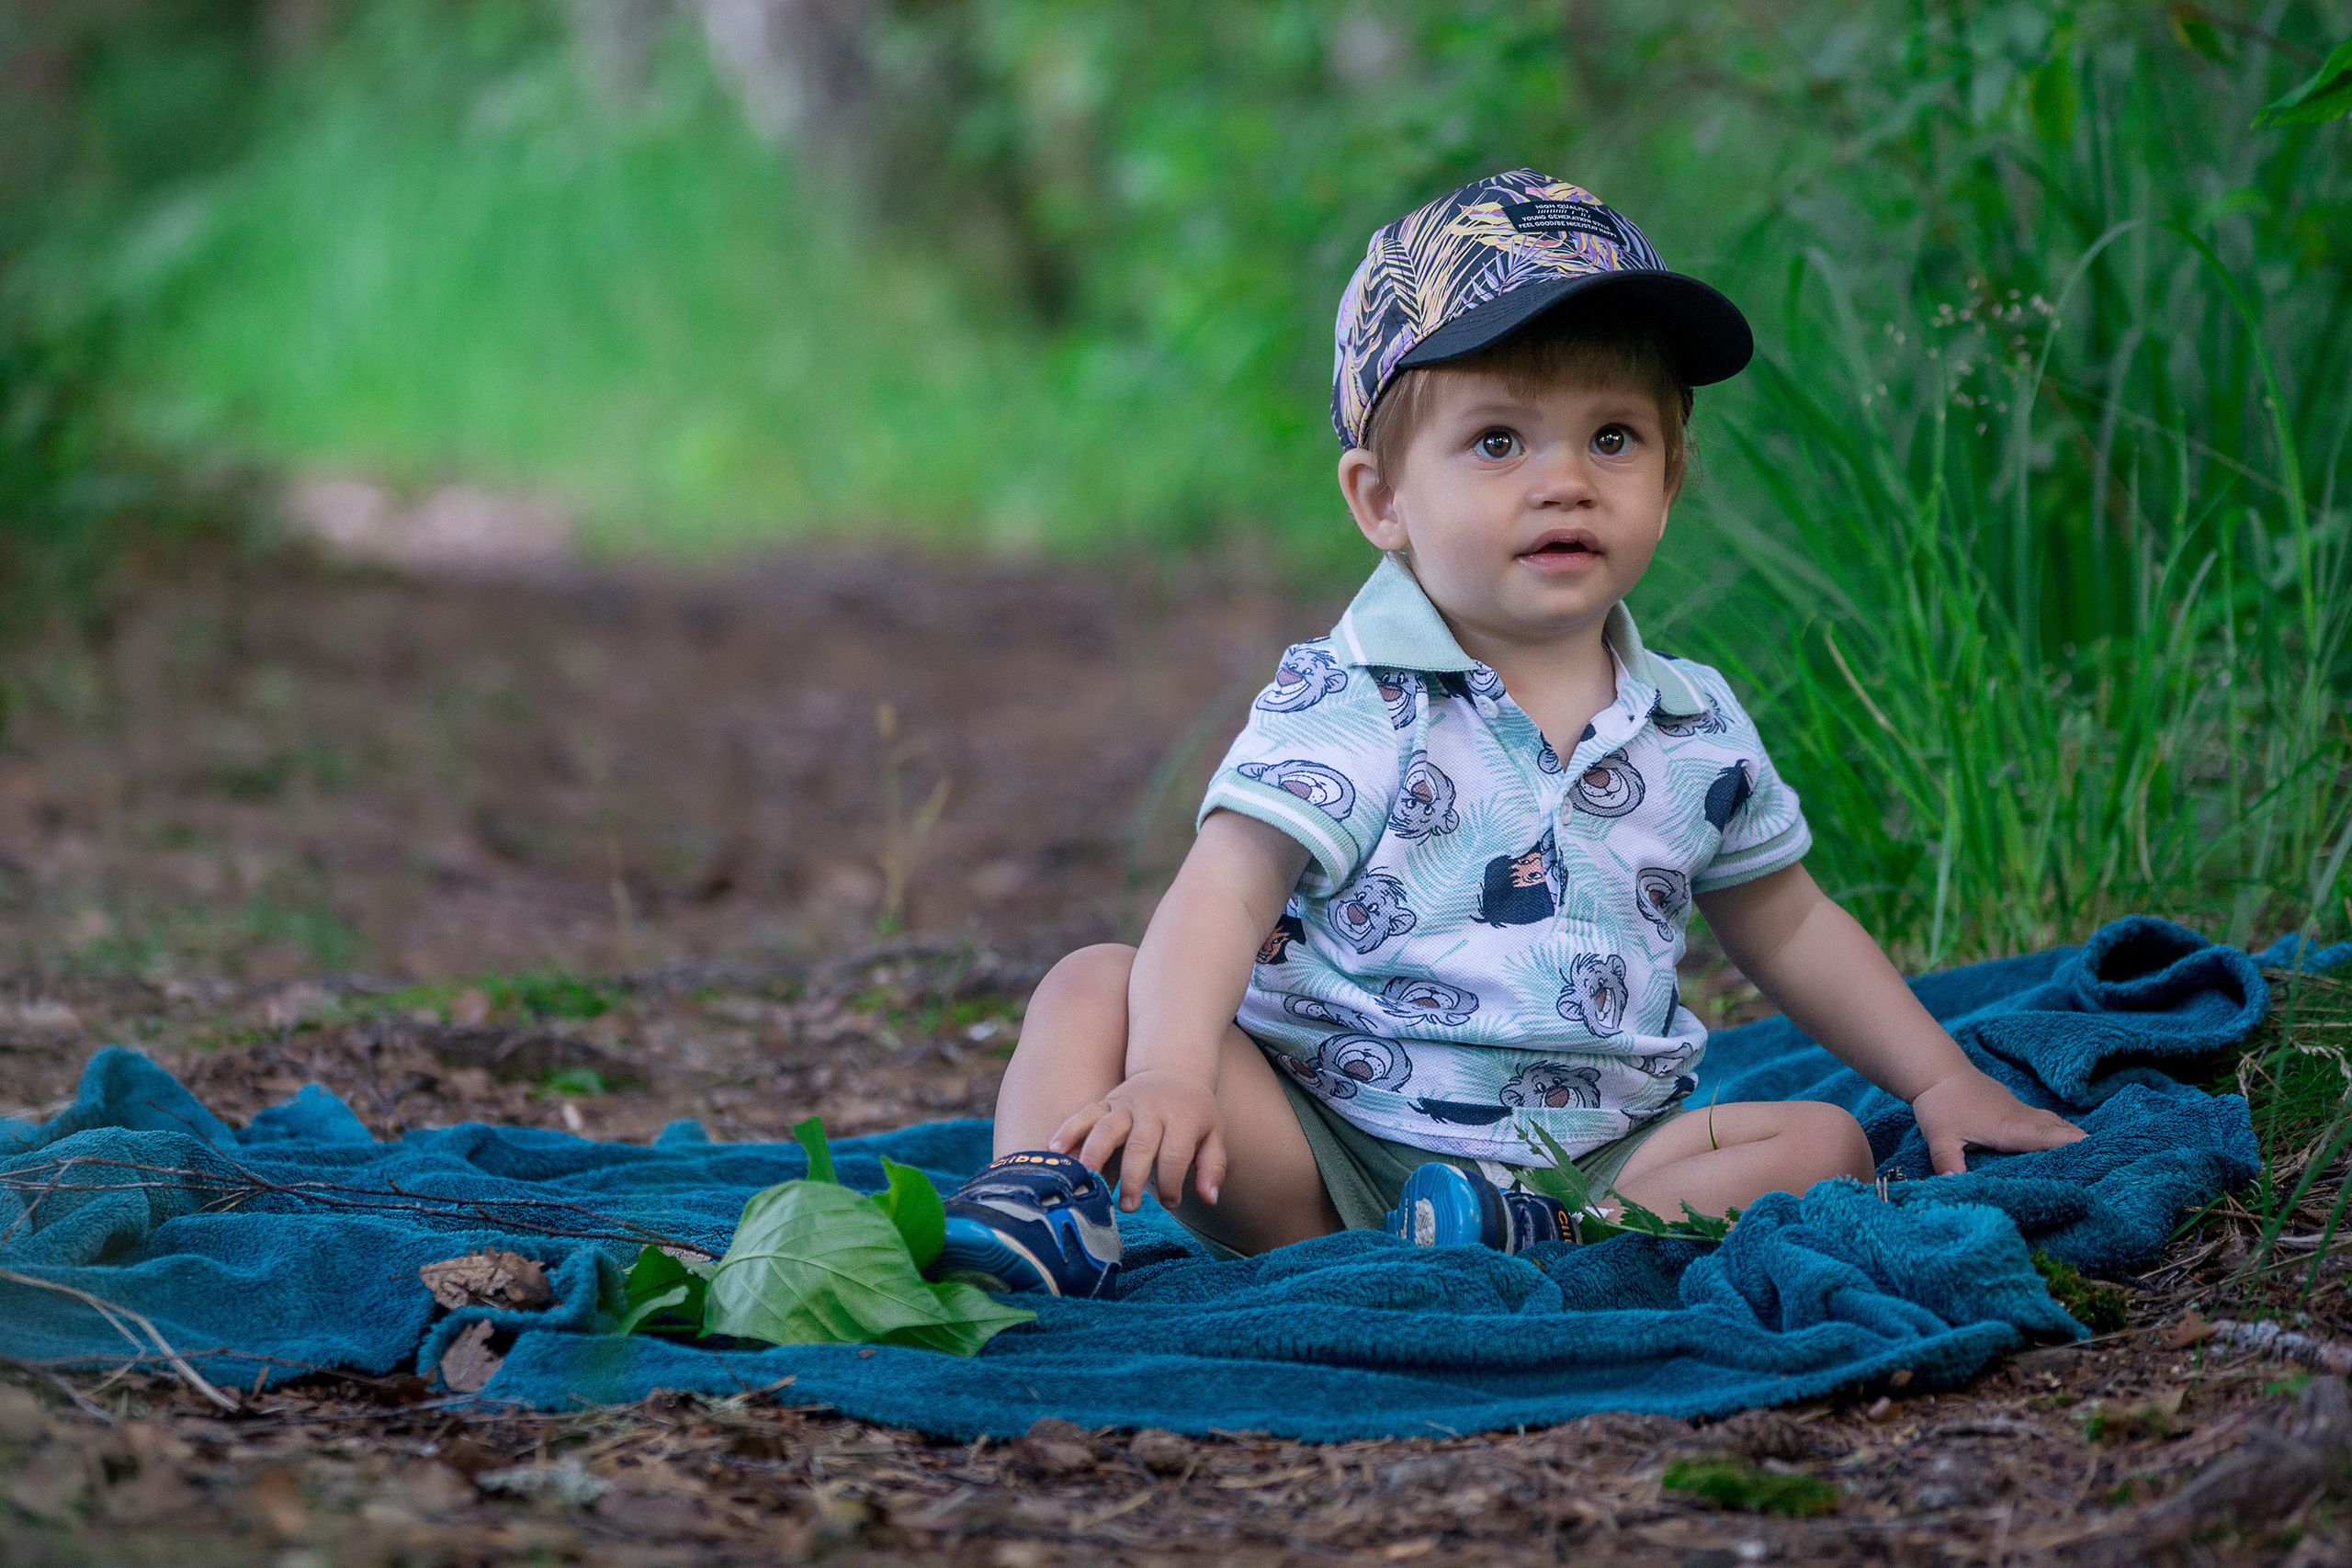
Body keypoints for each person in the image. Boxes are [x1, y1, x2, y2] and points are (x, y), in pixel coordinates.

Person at [923, 169, 2084, 1300]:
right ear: (1381, 500)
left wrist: (1939, 1078)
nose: (1565, 482)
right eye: (1497, 443)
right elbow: (1221, 896)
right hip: (1317, 1148)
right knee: (1094, 985)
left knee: (1824, 1141)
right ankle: (1040, 1197)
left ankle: (1544, 1234)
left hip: (1597, 1154)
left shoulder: (1692, 723)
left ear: (1671, 477)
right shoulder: (1354, 693)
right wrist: (1176, 1072)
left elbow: (1789, 925)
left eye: (1613, 439)